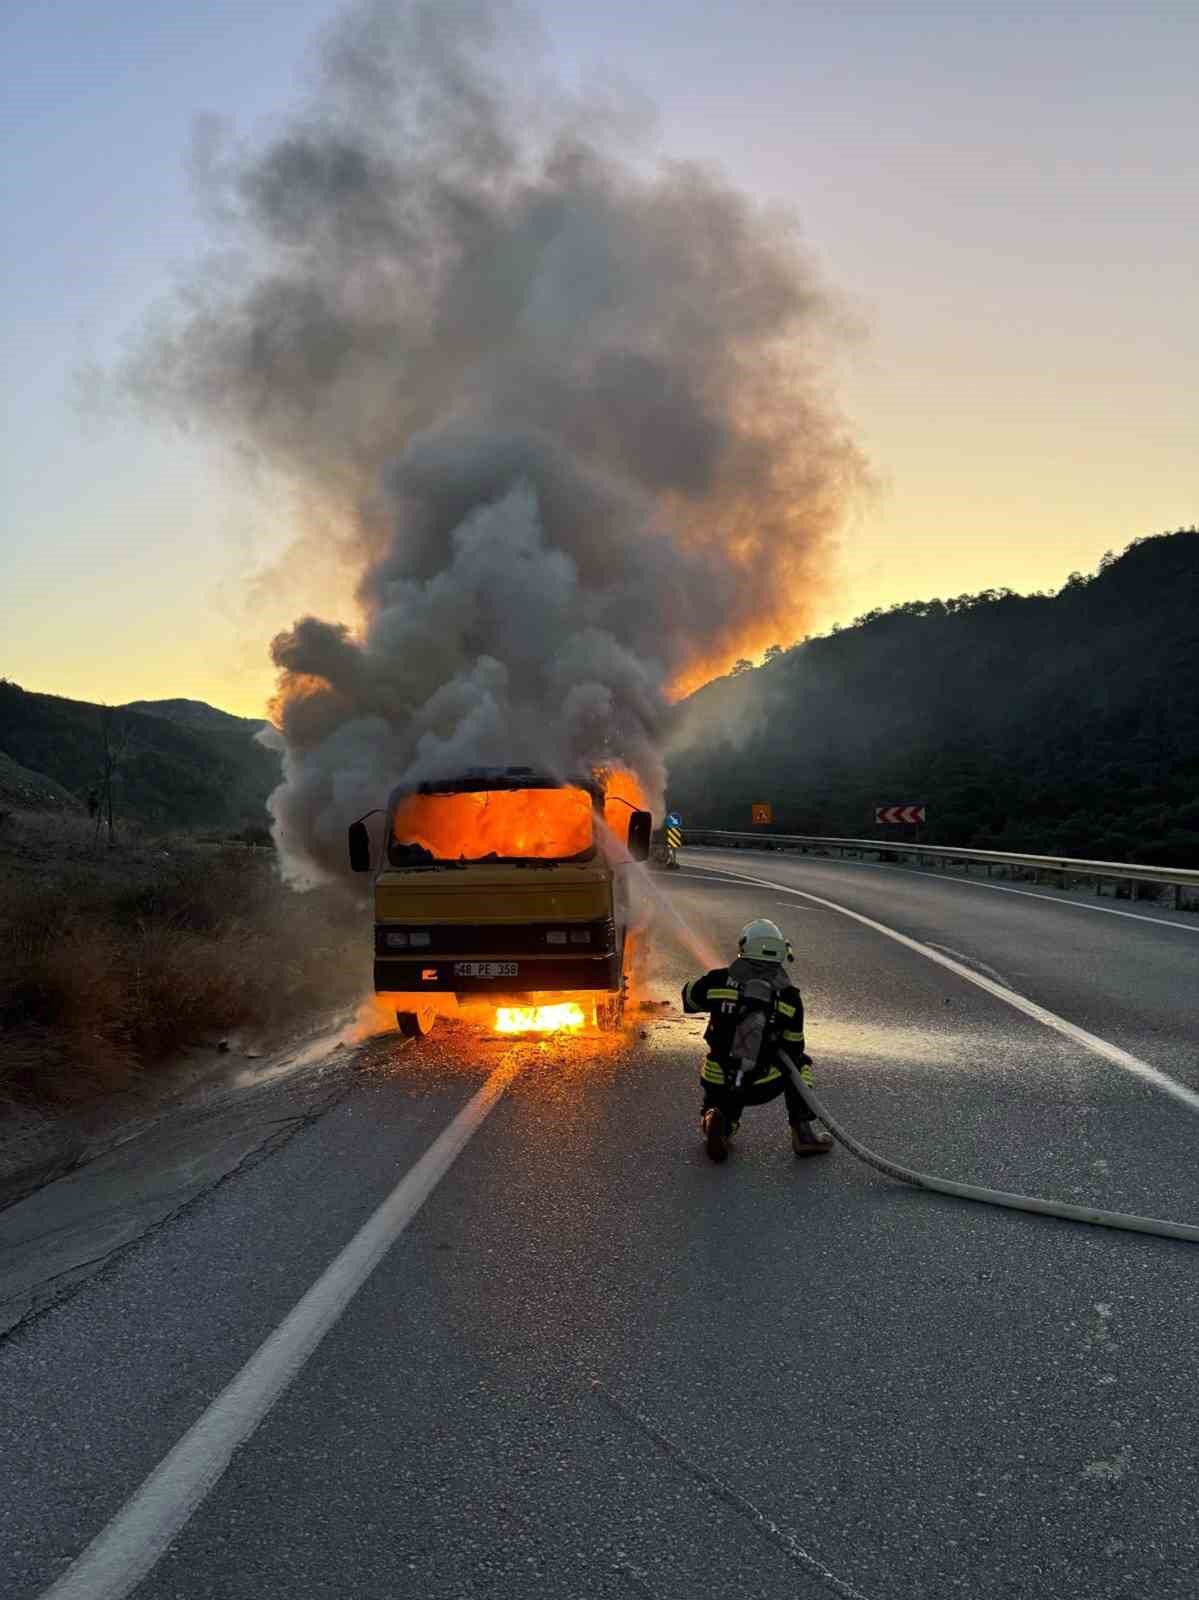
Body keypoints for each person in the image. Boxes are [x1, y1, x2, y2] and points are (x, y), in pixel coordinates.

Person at [682, 918, 834, 1163]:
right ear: (782, 953)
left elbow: (688, 1000)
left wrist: (722, 997)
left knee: (722, 1106)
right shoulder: (789, 998)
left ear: (744, 946)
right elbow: (794, 1047)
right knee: (801, 1065)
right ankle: (803, 1133)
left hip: (717, 1076)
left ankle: (716, 1119)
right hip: (762, 1082)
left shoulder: (717, 980)